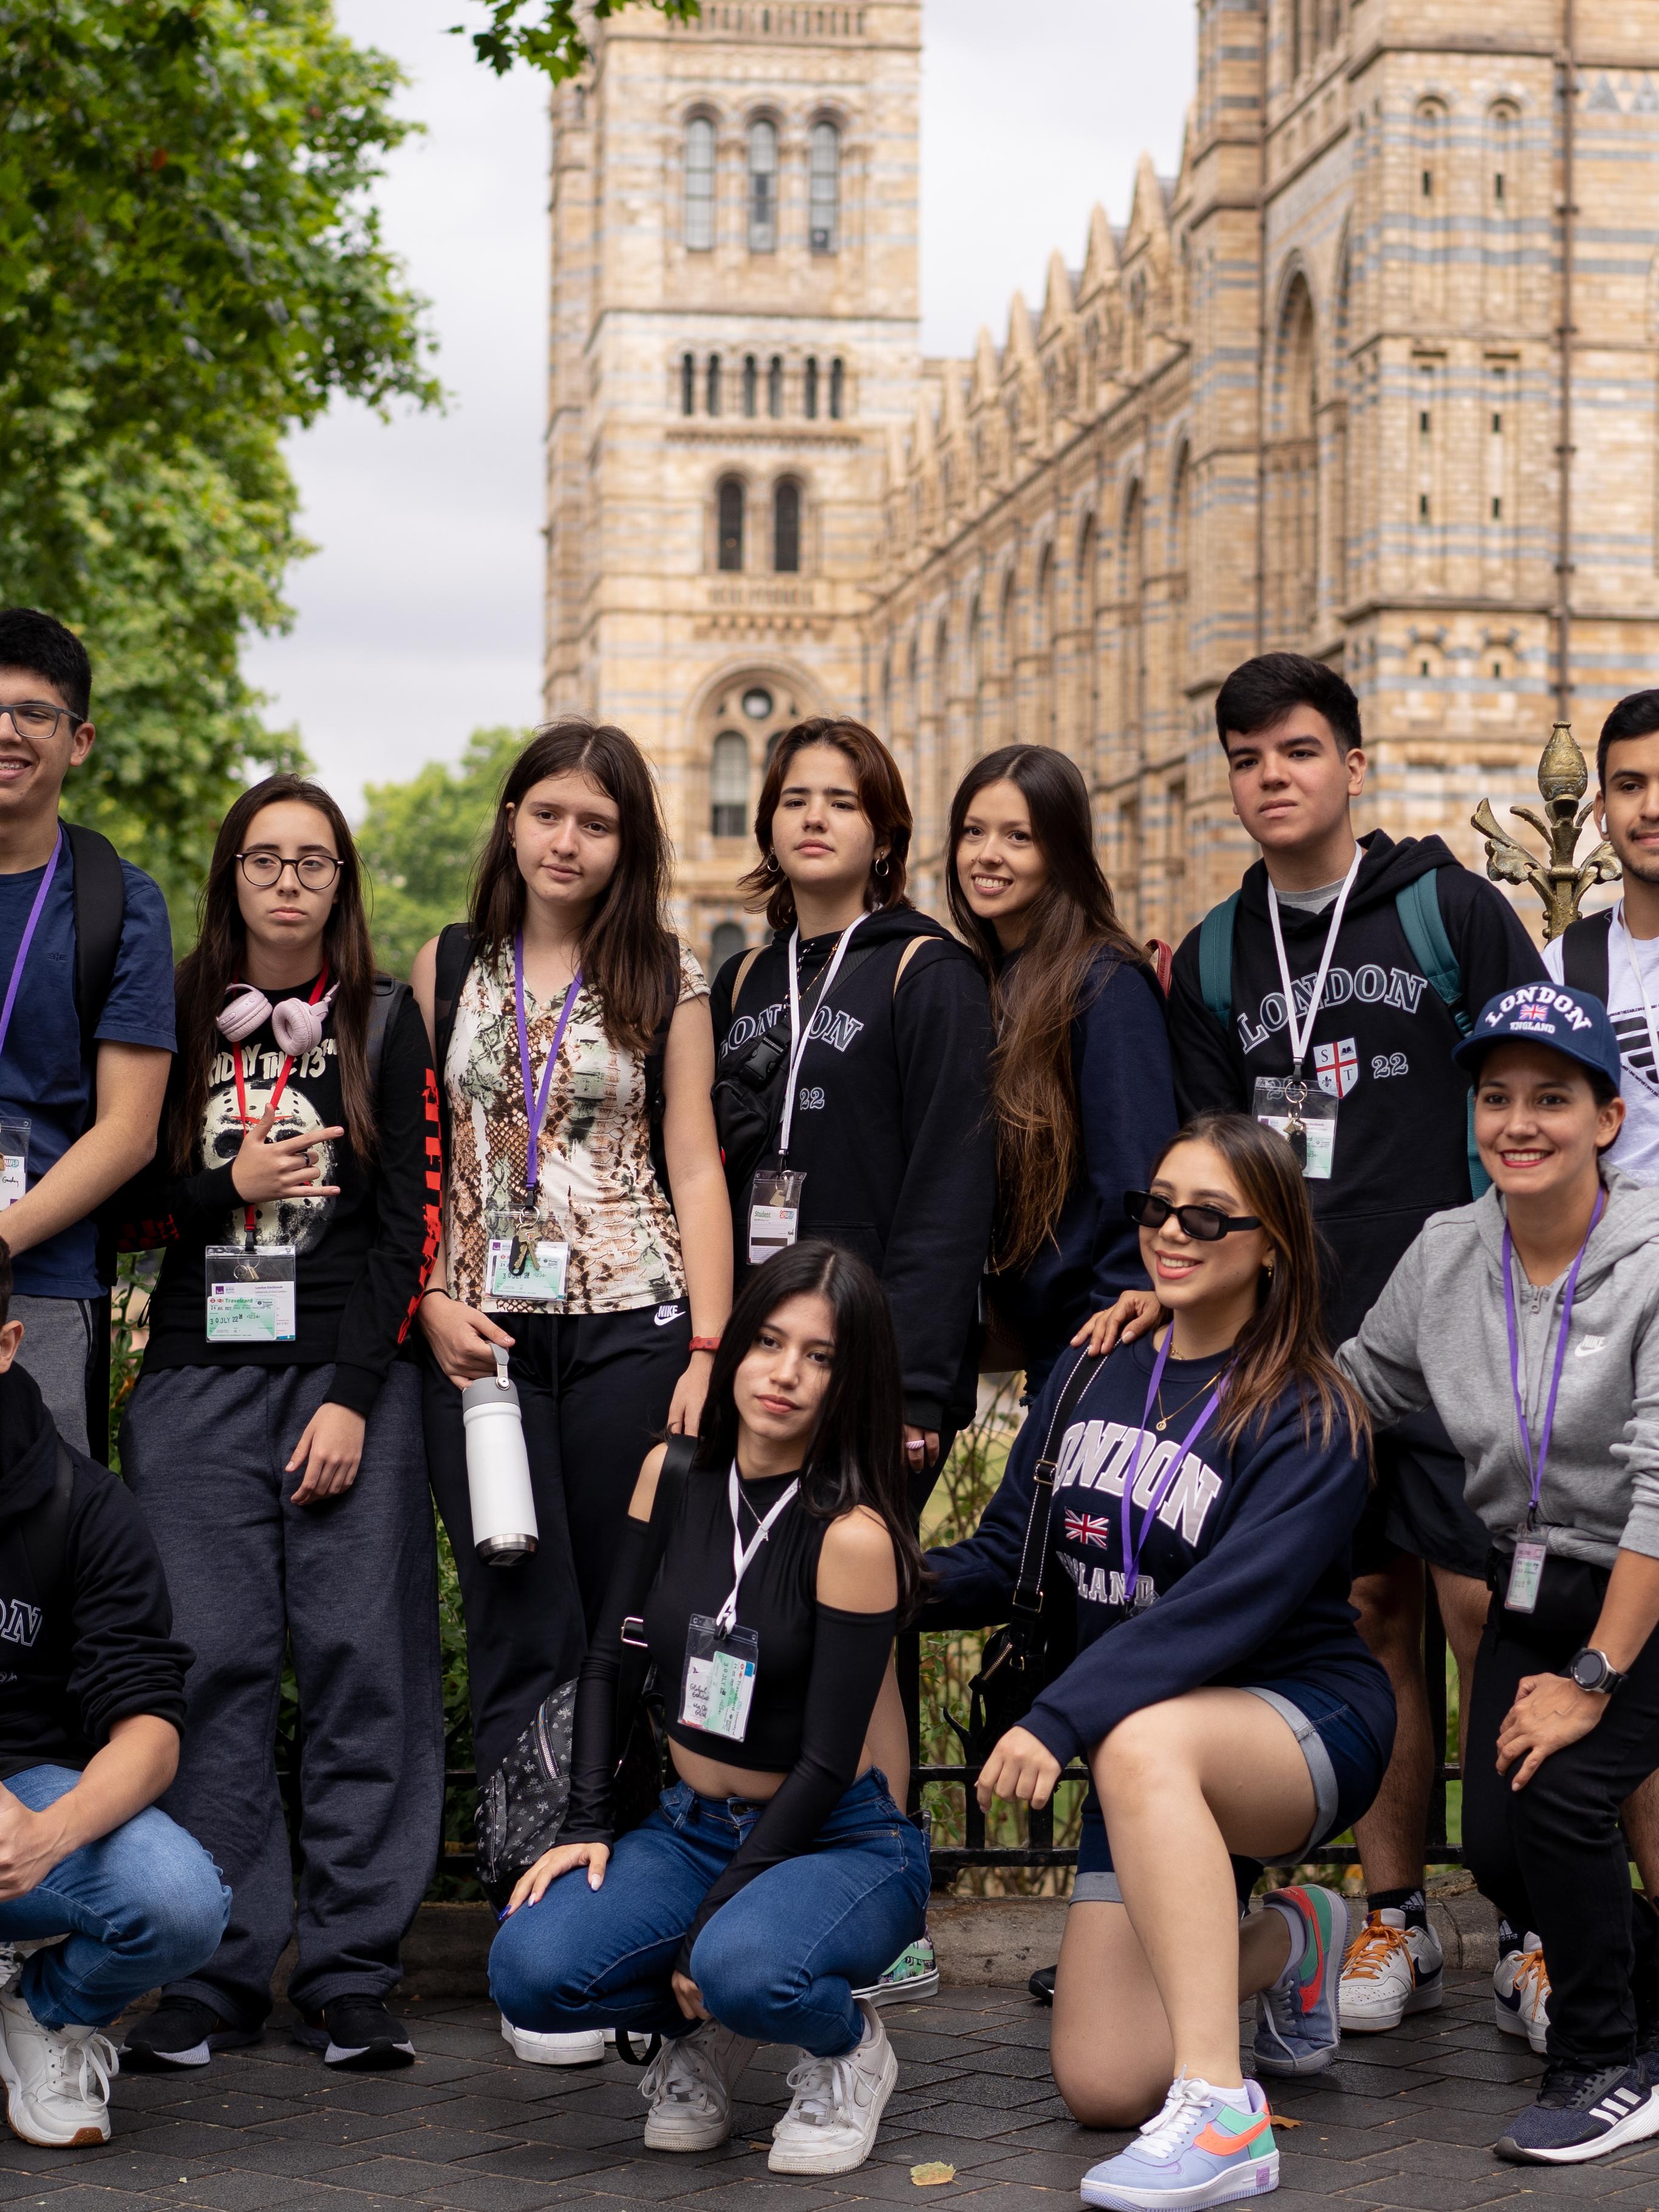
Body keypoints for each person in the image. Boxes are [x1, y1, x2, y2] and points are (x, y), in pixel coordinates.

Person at [1158, 650, 1545, 2035]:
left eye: (1300, 751)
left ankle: (1536, 1916)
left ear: (1352, 764)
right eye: (1250, 757)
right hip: (1305, 1360)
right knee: (1370, 1619)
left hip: (1460, 1341)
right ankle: (1391, 1914)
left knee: (1480, 1610)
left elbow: (1535, 1103)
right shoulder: (1212, 954)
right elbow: (1210, 1170)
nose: (1274, 777)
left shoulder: (1449, 912)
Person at [926, 1113, 1391, 2208]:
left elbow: (1224, 1614)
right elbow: (1010, 1552)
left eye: (1207, 1216)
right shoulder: (1094, 1365)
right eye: (1156, 1207)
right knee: (1101, 2077)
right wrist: (868, 1587)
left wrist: (1060, 1717)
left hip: (1293, 1720)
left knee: (1139, 1737)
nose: (1171, 1233)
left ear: (1271, 1239)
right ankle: (1296, 1935)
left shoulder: (1310, 1411)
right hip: (1147, 1757)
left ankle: (1224, 2119)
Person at [116, 776, 442, 2073]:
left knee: (369, 1663)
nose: (291, 881)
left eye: (315, 861)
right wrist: (223, 1185)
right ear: (232, 876)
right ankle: (214, 1969)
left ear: (342, 881)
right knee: (212, 1670)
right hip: (197, 1379)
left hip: (346, 1382)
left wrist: (357, 1397)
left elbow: (411, 1226)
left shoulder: (387, 1020)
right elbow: (127, 1199)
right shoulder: (174, 1007)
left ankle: (354, 1969)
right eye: (267, 859)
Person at [487, 1241, 930, 2179]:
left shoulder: (852, 1534)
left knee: (741, 1962)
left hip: (834, 1838)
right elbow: (609, 1655)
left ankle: (847, 2044)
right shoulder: (676, 1472)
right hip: (692, 1826)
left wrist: (710, 1920)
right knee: (528, 1967)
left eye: (821, 1355)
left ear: (853, 1379)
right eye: (769, 1340)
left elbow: (824, 1760)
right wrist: (587, 1823)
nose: (784, 1372)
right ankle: (708, 2027)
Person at [413, 720, 732, 1931]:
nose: (567, 839)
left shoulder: (670, 971)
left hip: (631, 1326)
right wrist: (427, 1297)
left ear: (626, 842)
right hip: (480, 1335)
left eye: (595, 822)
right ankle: (531, 1903)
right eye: (548, 812)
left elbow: (695, 1165)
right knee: (514, 1608)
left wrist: (709, 1344)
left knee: (625, 1616)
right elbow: (423, 1163)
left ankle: (633, 1900)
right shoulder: (451, 966)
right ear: (512, 820)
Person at [1336, 982, 1659, 2166]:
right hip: (1533, 1577)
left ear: (1607, 1118)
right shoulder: (1447, 1251)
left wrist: (1591, 1676)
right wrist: (1205, 1379)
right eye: (1496, 1097)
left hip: (1643, 1578)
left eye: (1552, 1098)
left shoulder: (1653, 1256)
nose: (1519, 1123)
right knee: (1498, 1849)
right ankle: (1644, 2003)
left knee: (1570, 1798)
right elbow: (1357, 1386)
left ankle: (1604, 2061)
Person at [709, 714, 993, 2000]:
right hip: (764, 1354)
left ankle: (890, 1908)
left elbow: (949, 1184)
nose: (815, 818)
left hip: (869, 1363)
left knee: (858, 1635)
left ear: (885, 832)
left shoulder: (922, 971)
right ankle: (811, 1887)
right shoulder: (746, 980)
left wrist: (922, 1385)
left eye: (844, 801)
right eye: (795, 799)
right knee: (778, 1622)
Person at [0, 1237, 228, 2149]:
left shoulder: (82, 1504)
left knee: (179, 1897)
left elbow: (149, 1724)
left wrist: (49, 1832)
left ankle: (44, 2009)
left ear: (7, 1342)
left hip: (32, 1804)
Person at [0, 608, 176, 1454]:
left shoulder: (119, 900)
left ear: (79, 740)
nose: (8, 731)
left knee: (35, 1565)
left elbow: (129, 1130)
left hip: (39, 1286)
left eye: (35, 712)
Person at [947, 743, 1175, 1395]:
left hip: (1096, 1338)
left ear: (1061, 851)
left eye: (1018, 836)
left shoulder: (1103, 983)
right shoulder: (985, 976)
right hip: (1037, 1332)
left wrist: (1119, 1312)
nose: (988, 854)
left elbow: (1134, 1170)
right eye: (973, 831)